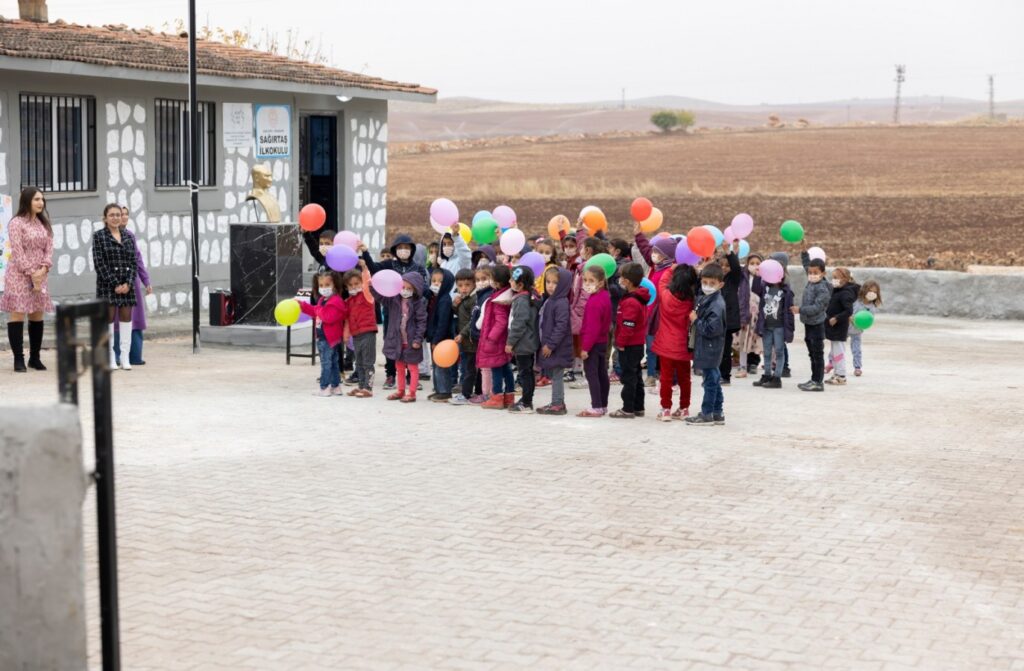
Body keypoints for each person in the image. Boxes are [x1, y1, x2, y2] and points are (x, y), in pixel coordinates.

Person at [360, 235, 427, 390]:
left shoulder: (418, 268)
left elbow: (424, 288)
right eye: (400, 248)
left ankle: (412, 376)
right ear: (395, 250)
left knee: (410, 344)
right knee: (392, 343)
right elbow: (374, 269)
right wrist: (365, 252)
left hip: (412, 312)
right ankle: (391, 375)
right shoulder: (389, 264)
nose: (403, 251)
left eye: (407, 248)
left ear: (412, 250)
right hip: (393, 310)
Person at [2, 187, 54, 372]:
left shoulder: (44, 224)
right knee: (17, 314)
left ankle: (35, 357)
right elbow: (17, 251)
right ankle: (18, 359)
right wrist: (32, 273)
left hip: (40, 274)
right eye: (37, 199)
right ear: (27, 201)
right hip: (19, 274)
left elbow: (49, 249)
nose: (41, 202)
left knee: (36, 314)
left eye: (42, 199)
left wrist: (44, 268)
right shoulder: (16, 223)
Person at [92, 203, 138, 371]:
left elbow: (133, 262)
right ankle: (110, 356)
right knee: (108, 320)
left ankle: (125, 357)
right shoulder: (99, 236)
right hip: (107, 285)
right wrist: (115, 284)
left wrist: (128, 283)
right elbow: (99, 264)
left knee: (126, 320)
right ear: (105, 218)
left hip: (127, 286)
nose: (115, 218)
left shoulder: (128, 236)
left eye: (118, 215)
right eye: (111, 215)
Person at [633, 226, 677, 388]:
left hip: (664, 315)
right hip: (650, 314)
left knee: (663, 347)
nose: (654, 255)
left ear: (667, 256)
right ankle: (651, 375)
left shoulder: (672, 271)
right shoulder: (654, 266)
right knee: (650, 346)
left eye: (658, 253)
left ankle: (664, 374)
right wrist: (638, 235)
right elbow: (646, 249)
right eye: (655, 252)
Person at [373, 272, 427, 403]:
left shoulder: (418, 303)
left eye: (409, 289)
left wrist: (418, 339)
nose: (405, 291)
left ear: (415, 289)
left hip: (411, 342)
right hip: (397, 341)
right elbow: (380, 297)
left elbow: (422, 322)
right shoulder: (394, 300)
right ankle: (400, 390)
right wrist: (371, 286)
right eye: (403, 287)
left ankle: (412, 393)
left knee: (413, 368)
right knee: (399, 367)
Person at [653, 264, 697, 421]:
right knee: (685, 378)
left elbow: (663, 280)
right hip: (684, 346)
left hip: (666, 345)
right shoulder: (692, 302)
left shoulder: (665, 295)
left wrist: (673, 267)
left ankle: (665, 409)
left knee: (665, 378)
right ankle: (684, 408)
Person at [686, 264, 727, 426]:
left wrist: (696, 320)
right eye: (704, 282)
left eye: (712, 283)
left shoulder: (716, 304)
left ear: (720, 284)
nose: (707, 286)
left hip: (710, 346)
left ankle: (707, 413)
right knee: (714, 379)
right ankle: (717, 412)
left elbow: (711, 329)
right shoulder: (706, 297)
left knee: (710, 380)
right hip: (708, 346)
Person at [112, 206, 152, 367]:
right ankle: (115, 356)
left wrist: (146, 281)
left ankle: (135, 356)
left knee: (135, 319)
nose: (124, 217)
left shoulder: (130, 236)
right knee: (115, 319)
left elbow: (138, 260)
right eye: (121, 214)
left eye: (126, 214)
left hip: (132, 283)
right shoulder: (107, 237)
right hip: (114, 285)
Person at [609, 262, 649, 418]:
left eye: (622, 278)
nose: (620, 281)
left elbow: (628, 326)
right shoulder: (634, 297)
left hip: (630, 345)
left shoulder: (631, 302)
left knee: (628, 377)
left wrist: (621, 343)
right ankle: (639, 407)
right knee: (636, 375)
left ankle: (628, 408)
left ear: (628, 281)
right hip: (636, 344)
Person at [299, 272, 349, 397]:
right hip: (324, 337)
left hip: (329, 338)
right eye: (321, 285)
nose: (324, 288)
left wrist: (317, 309)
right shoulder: (322, 300)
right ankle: (336, 387)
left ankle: (324, 387)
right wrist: (302, 305)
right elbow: (315, 311)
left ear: (335, 285)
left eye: (327, 284)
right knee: (332, 363)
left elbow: (327, 317)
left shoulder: (336, 301)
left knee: (326, 364)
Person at [536, 267, 573, 416]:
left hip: (557, 347)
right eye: (548, 282)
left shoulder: (561, 302)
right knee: (554, 374)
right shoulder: (551, 300)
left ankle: (557, 404)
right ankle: (557, 401)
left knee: (557, 376)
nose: (550, 285)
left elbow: (561, 326)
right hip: (550, 345)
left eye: (555, 283)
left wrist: (550, 344)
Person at [478, 264, 516, 409]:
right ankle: (509, 396)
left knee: (496, 368)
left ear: (498, 282)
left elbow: (501, 322)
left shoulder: (500, 300)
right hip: (502, 340)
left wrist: (491, 338)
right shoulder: (501, 294)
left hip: (496, 341)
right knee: (505, 367)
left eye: (492, 278)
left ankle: (497, 397)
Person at [577, 265, 612, 417]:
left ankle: (596, 405)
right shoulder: (604, 296)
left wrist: (585, 348)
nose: (587, 283)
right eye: (585, 280)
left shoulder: (595, 302)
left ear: (601, 282)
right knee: (601, 373)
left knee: (592, 375)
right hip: (602, 341)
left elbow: (592, 328)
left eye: (591, 280)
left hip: (594, 343)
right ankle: (603, 404)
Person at [793, 254, 831, 392]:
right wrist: (803, 252)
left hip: (817, 325)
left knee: (817, 353)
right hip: (808, 324)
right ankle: (814, 378)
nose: (812, 275)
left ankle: (818, 381)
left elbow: (817, 308)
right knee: (811, 353)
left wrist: (800, 310)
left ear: (823, 273)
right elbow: (806, 265)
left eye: (815, 273)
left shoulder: (823, 289)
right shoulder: (811, 282)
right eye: (810, 272)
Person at [752, 265, 794, 389]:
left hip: (779, 327)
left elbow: (789, 311)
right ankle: (767, 375)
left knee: (780, 352)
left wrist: (790, 328)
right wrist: (757, 276)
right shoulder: (764, 288)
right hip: (766, 326)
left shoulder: (786, 292)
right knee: (767, 352)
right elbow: (754, 289)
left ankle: (777, 378)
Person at [506, 266, 540, 414]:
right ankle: (527, 400)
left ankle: (526, 402)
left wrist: (510, 342)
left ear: (520, 285)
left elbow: (519, 323)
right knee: (527, 372)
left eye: (512, 280)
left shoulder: (522, 300)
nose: (509, 281)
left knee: (525, 373)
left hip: (523, 343)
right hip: (528, 342)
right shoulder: (529, 296)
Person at [342, 262, 376, 397]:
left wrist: (364, 268)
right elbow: (347, 321)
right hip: (356, 335)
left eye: (356, 283)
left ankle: (368, 388)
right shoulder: (348, 301)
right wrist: (346, 334)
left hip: (368, 333)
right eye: (350, 285)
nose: (354, 287)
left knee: (368, 362)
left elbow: (367, 281)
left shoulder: (367, 296)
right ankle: (361, 386)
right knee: (359, 362)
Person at [824, 267, 859, 386]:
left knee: (839, 352)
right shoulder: (837, 290)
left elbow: (848, 311)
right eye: (832, 277)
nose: (833, 280)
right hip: (833, 328)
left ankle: (841, 375)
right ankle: (836, 373)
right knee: (834, 352)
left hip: (839, 327)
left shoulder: (846, 293)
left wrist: (836, 318)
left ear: (844, 279)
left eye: (835, 278)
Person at [714, 245, 743, 386]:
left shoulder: (733, 279)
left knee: (725, 350)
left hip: (728, 320)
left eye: (727, 265)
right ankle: (714, 375)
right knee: (715, 349)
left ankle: (725, 376)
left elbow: (736, 267)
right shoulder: (714, 279)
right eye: (722, 265)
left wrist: (729, 253)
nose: (724, 268)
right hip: (715, 320)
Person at [450, 269, 479, 405]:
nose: (463, 288)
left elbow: (472, 320)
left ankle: (466, 394)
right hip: (466, 341)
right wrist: (455, 305)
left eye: (467, 285)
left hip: (471, 340)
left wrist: (462, 334)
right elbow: (461, 314)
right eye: (460, 285)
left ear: (474, 284)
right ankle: (477, 393)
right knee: (470, 367)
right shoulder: (464, 299)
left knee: (469, 369)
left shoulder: (474, 299)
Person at [425, 268, 456, 401]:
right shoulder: (435, 298)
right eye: (434, 281)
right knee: (436, 365)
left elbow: (442, 323)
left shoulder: (444, 300)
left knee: (441, 366)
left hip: (442, 339)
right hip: (435, 338)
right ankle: (438, 389)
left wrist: (436, 340)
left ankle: (444, 391)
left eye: (440, 281)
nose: (436, 284)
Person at [467, 267, 495, 404]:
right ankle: (487, 392)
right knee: (484, 367)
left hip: (485, 336)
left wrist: (476, 329)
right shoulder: (480, 295)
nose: (480, 282)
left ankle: (486, 394)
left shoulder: (488, 296)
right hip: (480, 336)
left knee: (486, 367)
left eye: (484, 279)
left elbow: (483, 318)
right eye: (477, 280)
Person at [737, 254, 763, 377]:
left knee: (755, 339)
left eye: (758, 263)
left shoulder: (764, 278)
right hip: (745, 313)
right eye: (752, 263)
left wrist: (759, 277)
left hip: (757, 315)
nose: (755, 266)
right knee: (743, 339)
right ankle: (742, 364)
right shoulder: (743, 276)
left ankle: (753, 363)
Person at [850, 280, 882, 377]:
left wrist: (859, 323)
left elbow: (868, 320)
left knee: (856, 349)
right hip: (845, 328)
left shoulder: (872, 307)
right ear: (864, 290)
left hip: (857, 330)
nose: (872, 294)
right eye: (870, 291)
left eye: (875, 292)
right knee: (838, 347)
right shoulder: (856, 300)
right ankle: (831, 362)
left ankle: (857, 367)